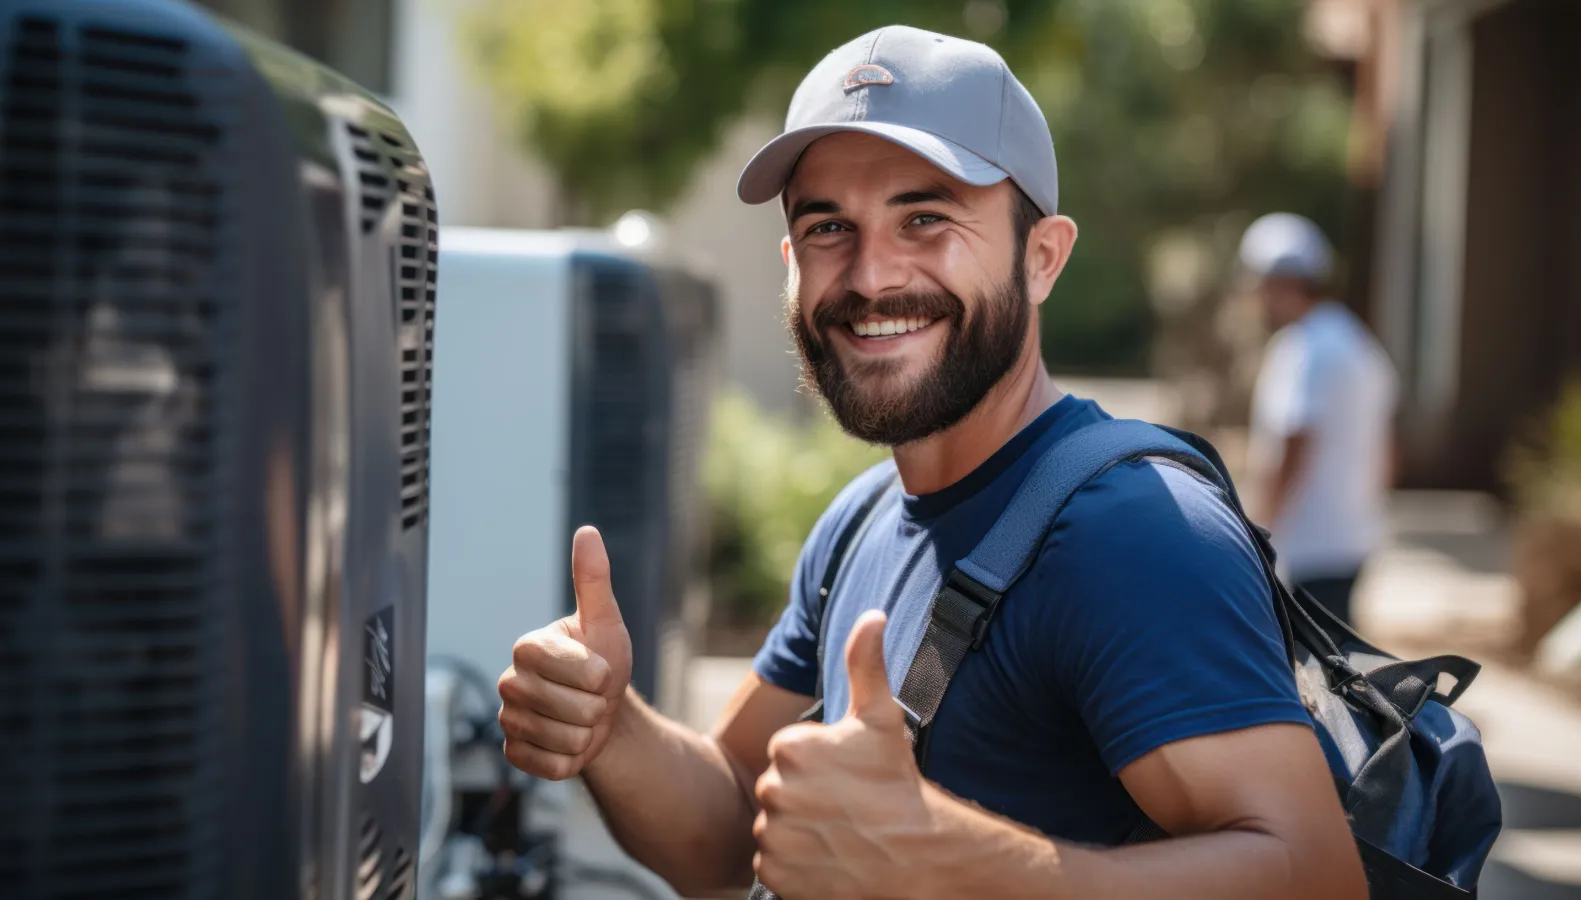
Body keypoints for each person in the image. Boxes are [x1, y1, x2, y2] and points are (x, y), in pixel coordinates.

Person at [499, 26, 1366, 900]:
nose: (873, 277)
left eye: (926, 218)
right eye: (829, 227)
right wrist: (612, 727)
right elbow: (732, 826)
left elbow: (1318, 877)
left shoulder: (1135, 535)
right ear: (792, 265)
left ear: (1042, 258)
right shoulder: (861, 521)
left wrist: (945, 859)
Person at [1239, 213, 1399, 625]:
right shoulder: (1359, 343)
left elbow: (1295, 445)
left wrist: (1258, 533)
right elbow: (1386, 447)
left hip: (1307, 545)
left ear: (1282, 284)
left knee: (1311, 679)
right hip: (1351, 537)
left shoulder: (1302, 349)